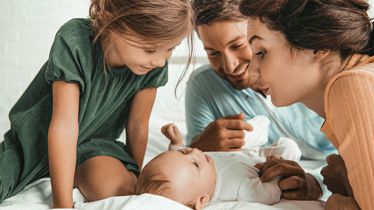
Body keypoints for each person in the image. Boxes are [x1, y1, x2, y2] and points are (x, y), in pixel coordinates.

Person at [0, 0, 193, 208]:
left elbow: (137, 125)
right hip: (31, 147)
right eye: (149, 50)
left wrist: (134, 178)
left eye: (170, 49)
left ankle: (79, 175)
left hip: (93, 148)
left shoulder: (152, 66)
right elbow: (64, 127)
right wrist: (62, 205)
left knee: (115, 187)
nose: (160, 61)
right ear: (114, 22)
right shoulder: (75, 40)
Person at [239, 0, 374, 209]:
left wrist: (339, 202)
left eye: (261, 52)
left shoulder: (356, 86)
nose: (251, 71)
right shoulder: (369, 78)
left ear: (318, 47)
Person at [186, 0, 333, 200]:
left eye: (238, 45)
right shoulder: (203, 85)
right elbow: (191, 167)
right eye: (213, 53)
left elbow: (357, 156)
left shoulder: (305, 69)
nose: (230, 66)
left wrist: (317, 182)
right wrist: (200, 145)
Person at [134, 123, 302, 209]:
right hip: (261, 164)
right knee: (290, 148)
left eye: (184, 153)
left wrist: (176, 143)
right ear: (202, 201)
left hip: (242, 154)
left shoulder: (198, 172)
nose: (194, 151)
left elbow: (176, 164)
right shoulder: (238, 189)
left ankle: (259, 132)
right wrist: (276, 172)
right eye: (195, 164)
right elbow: (269, 194)